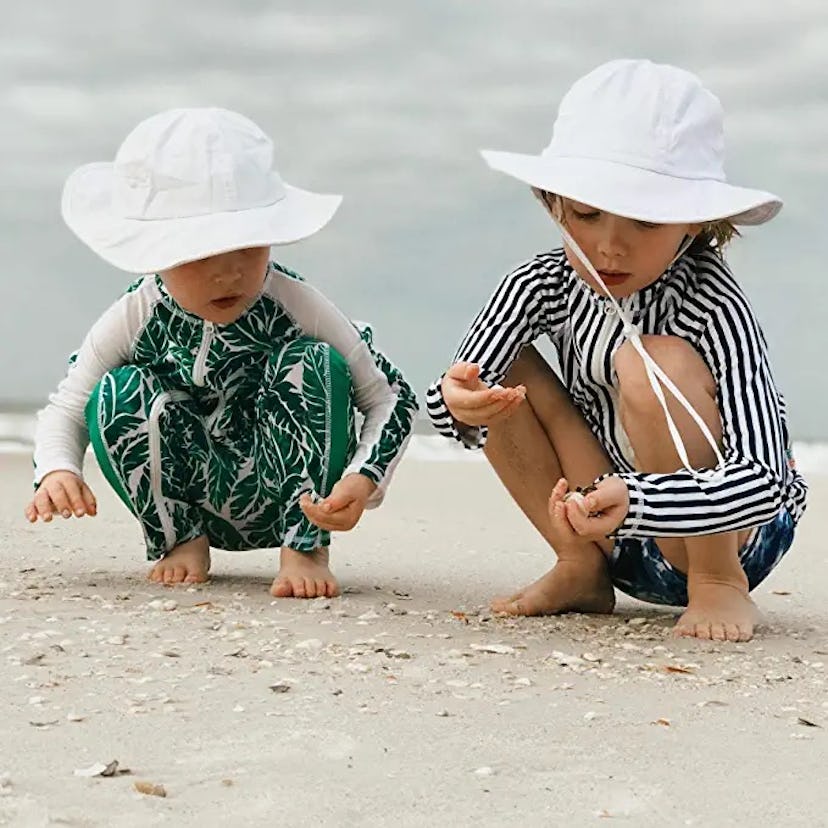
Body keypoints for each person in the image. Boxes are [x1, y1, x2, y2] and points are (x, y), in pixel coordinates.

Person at [426, 59, 807, 642]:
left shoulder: (712, 301)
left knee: (647, 361)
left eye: (646, 221)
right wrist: (459, 400)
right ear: (554, 203)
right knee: (499, 368)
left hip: (731, 533)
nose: (610, 246)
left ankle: (717, 582)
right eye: (586, 213)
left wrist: (641, 499)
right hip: (605, 527)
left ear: (696, 222)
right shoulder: (542, 283)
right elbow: (453, 398)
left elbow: (766, 481)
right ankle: (579, 567)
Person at [26, 107, 418, 599]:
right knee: (114, 390)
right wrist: (58, 469)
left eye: (248, 248)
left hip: (290, 491)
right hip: (187, 492)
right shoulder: (136, 313)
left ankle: (303, 548)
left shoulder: (293, 303)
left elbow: (390, 397)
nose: (228, 273)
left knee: (312, 362)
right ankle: (180, 539)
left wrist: (363, 479)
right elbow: (68, 405)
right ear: (153, 251)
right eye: (200, 253)